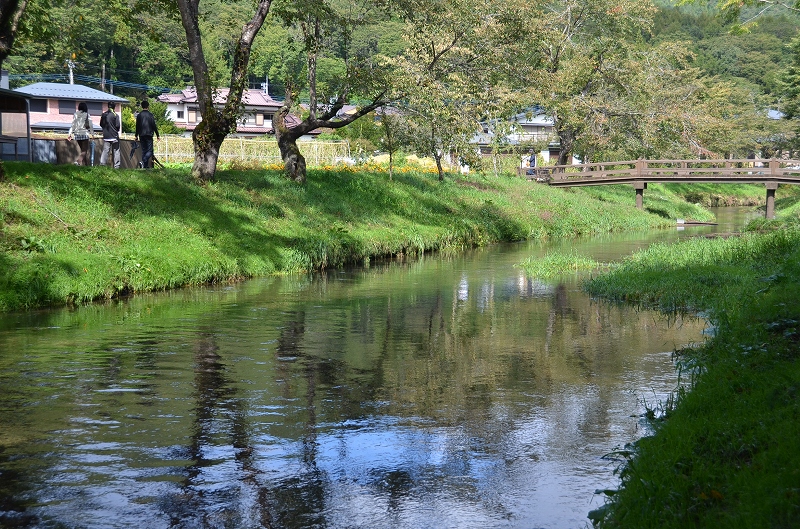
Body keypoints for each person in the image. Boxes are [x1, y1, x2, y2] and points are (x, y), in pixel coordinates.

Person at [135, 99, 160, 168]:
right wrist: (157, 135)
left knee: (144, 150)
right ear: (148, 106)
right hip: (149, 134)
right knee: (150, 151)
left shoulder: (139, 115)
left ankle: (144, 166)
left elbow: (137, 126)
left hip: (141, 134)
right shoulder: (150, 115)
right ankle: (143, 162)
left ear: (142, 106)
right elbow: (154, 125)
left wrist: (136, 135)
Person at [68, 102, 94, 166]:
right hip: (84, 134)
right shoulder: (87, 115)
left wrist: (70, 133)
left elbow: (73, 124)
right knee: (84, 151)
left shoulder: (75, 114)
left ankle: (85, 166)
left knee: (82, 151)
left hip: (77, 135)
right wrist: (92, 134)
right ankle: (78, 162)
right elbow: (90, 124)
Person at [99, 101, 121, 168]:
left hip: (106, 136)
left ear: (108, 106)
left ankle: (102, 164)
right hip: (114, 136)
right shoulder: (115, 115)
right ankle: (116, 166)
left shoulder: (104, 114)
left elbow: (101, 124)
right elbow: (118, 126)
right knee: (116, 151)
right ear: (114, 107)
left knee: (105, 150)